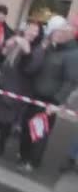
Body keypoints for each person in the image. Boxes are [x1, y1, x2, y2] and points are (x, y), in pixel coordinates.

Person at [18, 17, 78, 173]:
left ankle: (32, 161)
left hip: (49, 102)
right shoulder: (52, 47)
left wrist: (57, 102)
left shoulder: (73, 54)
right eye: (56, 31)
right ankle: (23, 155)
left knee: (39, 133)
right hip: (34, 95)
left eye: (61, 32)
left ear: (70, 35)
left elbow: (70, 82)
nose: (57, 34)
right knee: (26, 127)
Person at [0, 21, 43, 156]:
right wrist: (5, 47)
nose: (31, 32)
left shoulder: (37, 50)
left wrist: (27, 52)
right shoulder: (17, 41)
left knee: (6, 119)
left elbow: (30, 70)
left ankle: (1, 145)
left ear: (39, 35)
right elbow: (2, 56)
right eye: (29, 28)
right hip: (2, 82)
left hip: (17, 88)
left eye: (35, 30)